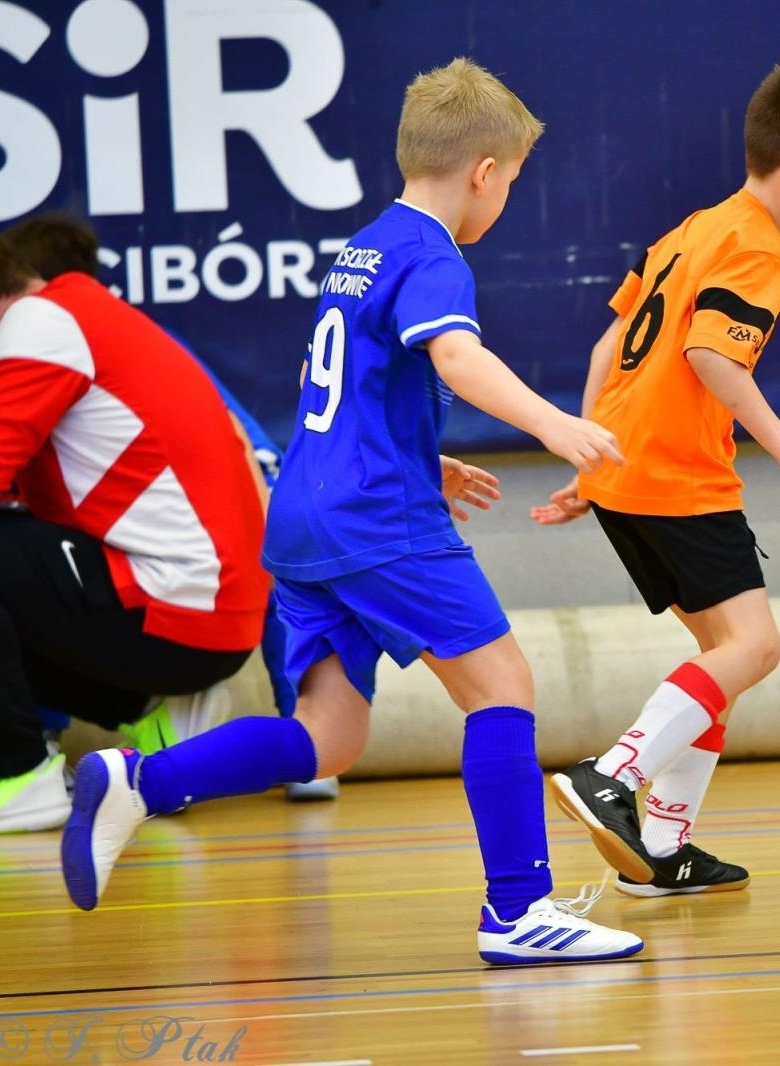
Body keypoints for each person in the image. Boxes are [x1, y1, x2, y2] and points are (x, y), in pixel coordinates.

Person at [60, 57, 644, 965]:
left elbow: (325, 383)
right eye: (513, 182)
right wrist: (554, 425)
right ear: (484, 172)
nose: (506, 200)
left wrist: (423, 453)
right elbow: (453, 358)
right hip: (378, 521)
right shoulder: (433, 256)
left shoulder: (363, 247)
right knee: (503, 687)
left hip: (304, 514)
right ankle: (519, 911)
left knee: (329, 738)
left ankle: (138, 780)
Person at [530, 63, 780, 895]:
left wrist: (587, 458)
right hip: (678, 478)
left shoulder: (695, 228)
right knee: (755, 647)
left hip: (621, 472)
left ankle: (661, 849)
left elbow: (603, 350)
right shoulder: (761, 249)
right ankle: (610, 775)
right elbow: (709, 355)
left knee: (720, 656)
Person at [3, 213, 339, 802]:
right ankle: (301, 739)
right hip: (223, 536)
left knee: (21, 560)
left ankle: (42, 740)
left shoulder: (46, 340)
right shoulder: (139, 335)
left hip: (192, 552)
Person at [0, 225, 270, 835]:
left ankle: (15, 775)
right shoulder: (85, 315)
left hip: (181, 614)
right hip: (211, 613)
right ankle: (149, 715)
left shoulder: (39, 325)